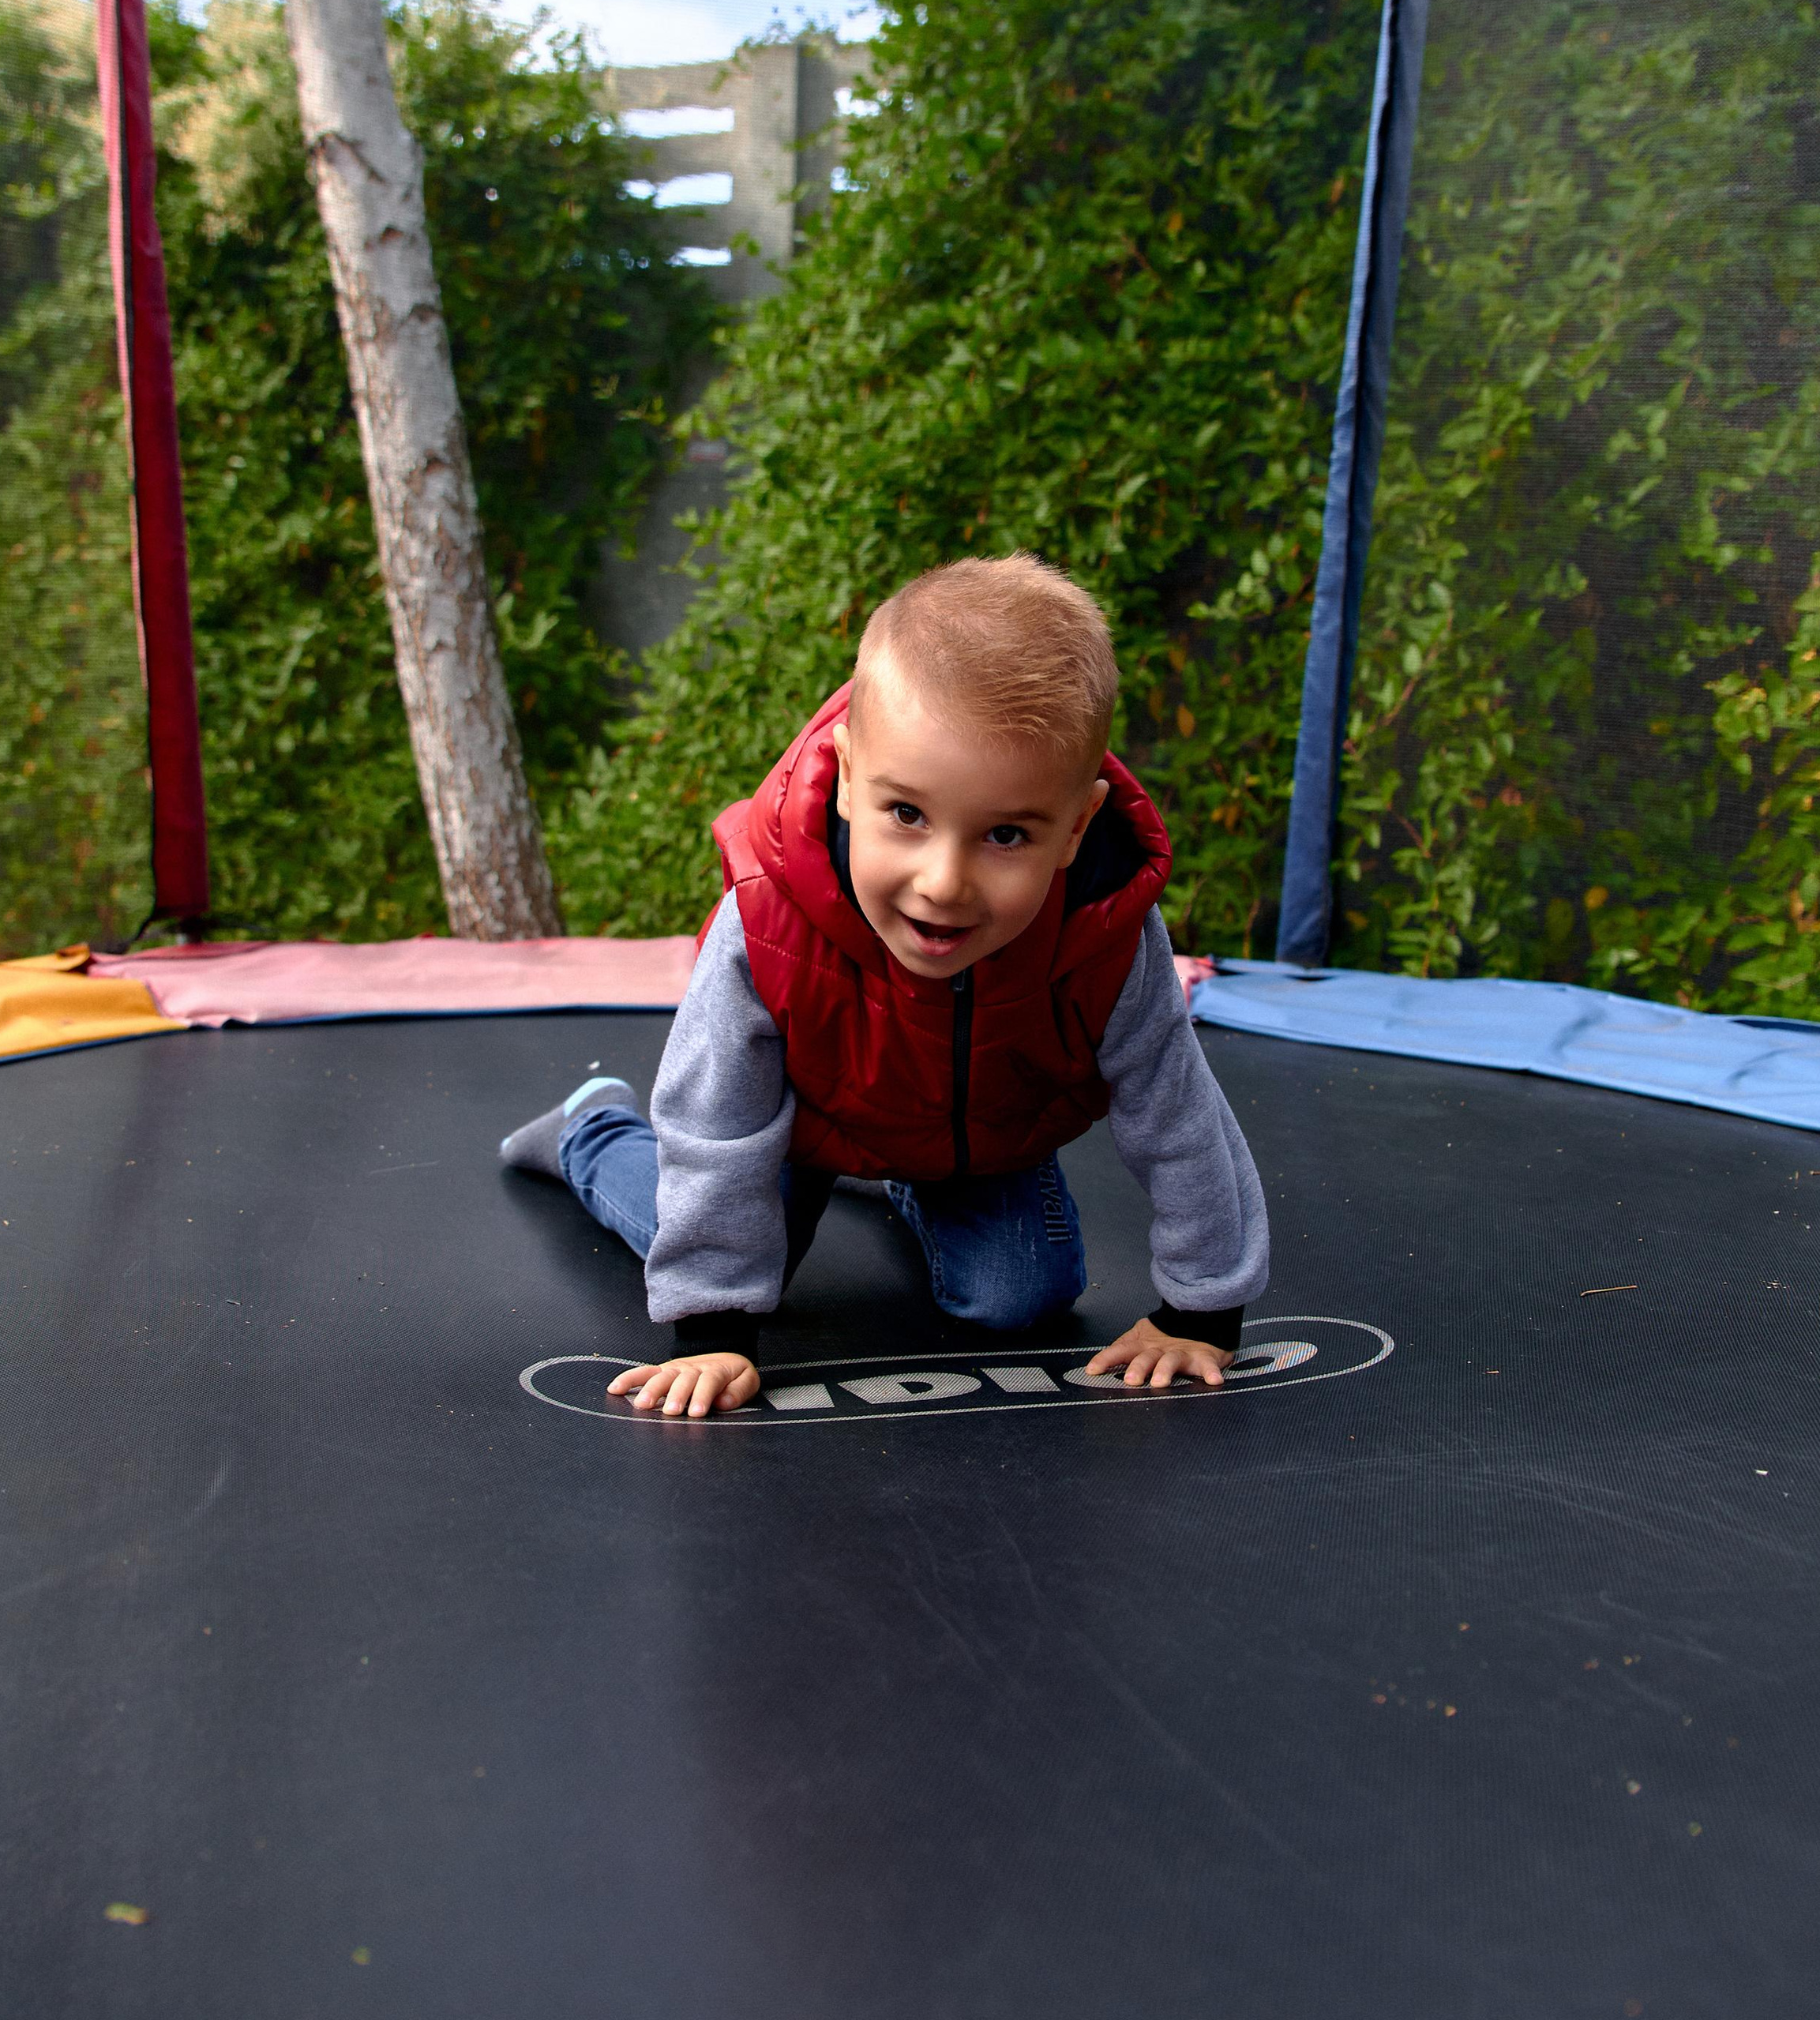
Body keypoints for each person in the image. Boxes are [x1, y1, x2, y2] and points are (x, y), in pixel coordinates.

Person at [500, 553, 1267, 1414]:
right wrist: (713, 1329)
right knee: (752, 1258)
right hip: (798, 1126)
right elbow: (715, 1121)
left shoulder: (1108, 936)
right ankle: (591, 1131)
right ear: (848, 778)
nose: (943, 882)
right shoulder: (766, 921)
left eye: (1006, 834)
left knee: (1020, 1298)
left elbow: (1179, 1113)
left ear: (1078, 828)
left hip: (982, 1143)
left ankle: (900, 1178)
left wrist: (1202, 1309)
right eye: (906, 814)